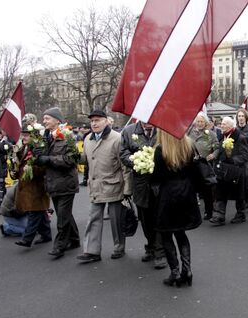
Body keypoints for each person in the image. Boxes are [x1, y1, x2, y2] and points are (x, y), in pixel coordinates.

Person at [76, 110, 131, 262]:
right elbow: (85, 160)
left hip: (114, 185)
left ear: (106, 121)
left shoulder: (117, 138)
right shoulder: (88, 139)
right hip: (95, 185)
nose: (94, 123)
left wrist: (127, 190)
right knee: (93, 218)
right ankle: (91, 251)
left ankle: (119, 246)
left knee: (116, 220)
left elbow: (125, 167)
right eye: (92, 121)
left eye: (97, 120)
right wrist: (73, 155)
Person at [151, 130, 202, 287]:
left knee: (166, 234)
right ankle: (187, 270)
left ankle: (175, 273)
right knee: (181, 233)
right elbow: (195, 171)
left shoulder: (161, 149)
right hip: (186, 192)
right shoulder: (189, 145)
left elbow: (157, 177)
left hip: (168, 194)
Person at [120, 119, 167, 269]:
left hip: (159, 180)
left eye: (151, 119)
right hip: (140, 182)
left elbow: (171, 150)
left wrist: (158, 161)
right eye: (145, 120)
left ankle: (161, 252)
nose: (148, 123)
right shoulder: (129, 131)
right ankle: (151, 246)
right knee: (145, 217)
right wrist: (136, 161)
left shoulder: (163, 130)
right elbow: (123, 153)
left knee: (159, 216)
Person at [34, 107, 80, 258]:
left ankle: (59, 246)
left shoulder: (68, 135)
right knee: (64, 214)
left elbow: (72, 160)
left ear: (57, 120)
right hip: (52, 183)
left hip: (66, 182)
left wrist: (49, 159)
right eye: (44, 118)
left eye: (47, 118)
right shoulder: (45, 136)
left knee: (62, 217)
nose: (44, 121)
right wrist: (38, 157)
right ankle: (74, 239)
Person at [12, 124, 52, 248]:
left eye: (26, 135)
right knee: (38, 211)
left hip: (36, 186)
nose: (23, 137)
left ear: (33, 136)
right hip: (26, 185)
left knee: (34, 212)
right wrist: (15, 172)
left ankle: (27, 238)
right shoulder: (23, 148)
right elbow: (19, 165)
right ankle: (46, 234)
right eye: (22, 135)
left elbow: (43, 168)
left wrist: (31, 169)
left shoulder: (39, 148)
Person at [209, 117, 248, 225]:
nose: (221, 125)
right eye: (221, 123)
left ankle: (241, 214)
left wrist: (232, 160)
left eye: (224, 124)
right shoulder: (221, 136)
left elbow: (245, 156)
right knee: (220, 192)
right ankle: (219, 216)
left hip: (236, 171)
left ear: (231, 126)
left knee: (239, 194)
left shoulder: (240, 137)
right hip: (222, 170)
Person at [188, 112, 219, 220]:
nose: (200, 123)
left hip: (204, 165)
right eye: (198, 121)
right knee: (191, 190)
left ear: (205, 122)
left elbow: (217, 148)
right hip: (191, 165)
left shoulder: (210, 134)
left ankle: (208, 211)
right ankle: (193, 213)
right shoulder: (189, 133)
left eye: (202, 121)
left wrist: (213, 154)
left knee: (206, 190)